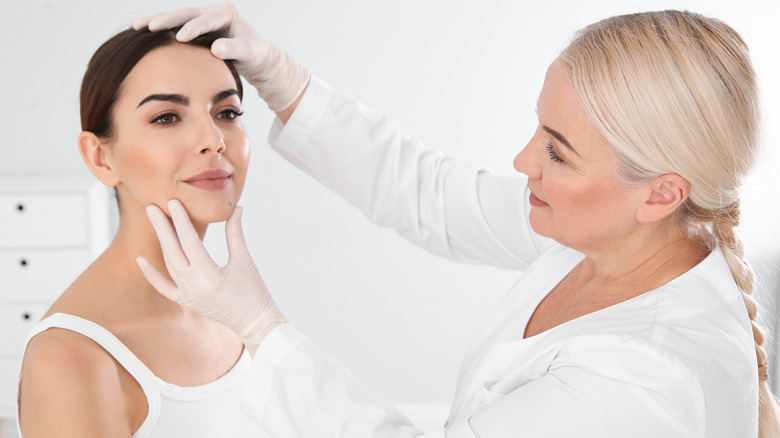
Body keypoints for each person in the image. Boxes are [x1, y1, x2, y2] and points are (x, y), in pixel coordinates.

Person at [133, 3, 779, 437]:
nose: (524, 160)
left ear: (662, 193)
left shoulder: (643, 380)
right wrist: (282, 79)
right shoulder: (612, 234)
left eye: (558, 150)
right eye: (538, 127)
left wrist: (259, 327)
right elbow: (432, 195)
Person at [17, 26, 269, 437]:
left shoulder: (239, 315)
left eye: (227, 113)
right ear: (100, 158)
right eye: (166, 117)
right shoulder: (71, 358)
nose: (214, 140)